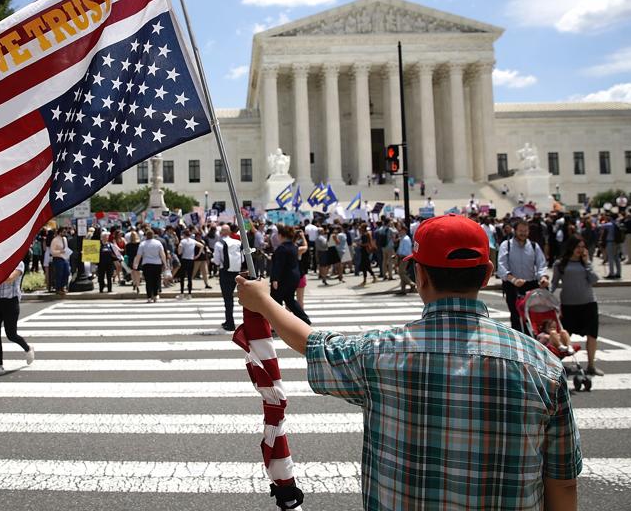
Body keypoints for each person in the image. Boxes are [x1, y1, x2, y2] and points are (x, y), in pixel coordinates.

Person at [235, 214, 581, 510]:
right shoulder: (544, 366)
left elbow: (314, 345)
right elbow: (563, 483)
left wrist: (265, 303)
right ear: (488, 272)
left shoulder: (379, 353)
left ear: (420, 277)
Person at [552, 236, 603, 375]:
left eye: (582, 247)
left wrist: (587, 263)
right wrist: (546, 294)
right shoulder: (560, 264)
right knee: (564, 335)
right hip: (568, 305)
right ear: (571, 247)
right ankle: (556, 365)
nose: (580, 250)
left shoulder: (585, 262)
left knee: (592, 335)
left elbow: (594, 280)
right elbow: (554, 283)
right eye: (577, 246)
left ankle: (591, 366)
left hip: (589, 303)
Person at [497, 219, 549, 332]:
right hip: (513, 285)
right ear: (515, 231)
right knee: (516, 316)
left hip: (530, 285)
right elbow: (501, 267)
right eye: (521, 231)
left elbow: (541, 264)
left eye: (525, 231)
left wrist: (543, 277)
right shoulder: (506, 245)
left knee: (533, 315)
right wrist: (513, 279)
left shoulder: (534, 246)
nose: (523, 233)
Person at [0, 261, 34, 378]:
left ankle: (28, 348)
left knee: (11, 335)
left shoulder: (18, 263)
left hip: (10, 303)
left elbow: (10, 278)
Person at [268, 226, 312, 325]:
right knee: (289, 299)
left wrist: (275, 279)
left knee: (276, 301)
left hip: (283, 278)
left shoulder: (282, 248)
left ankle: (278, 323)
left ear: (281, 235)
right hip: (294, 277)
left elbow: (279, 264)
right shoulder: (294, 246)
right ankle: (304, 319)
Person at [212, 224, 242, 330]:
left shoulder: (218, 244)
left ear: (221, 232)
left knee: (227, 298)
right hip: (236, 272)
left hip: (224, 272)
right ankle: (228, 321)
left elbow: (216, 261)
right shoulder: (237, 242)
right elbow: (242, 259)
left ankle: (230, 322)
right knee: (232, 296)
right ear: (229, 232)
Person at [133, 229, 167, 303]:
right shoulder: (158, 243)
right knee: (156, 279)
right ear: (153, 235)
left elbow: (138, 256)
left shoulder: (142, 244)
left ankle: (149, 297)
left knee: (148, 281)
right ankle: (155, 295)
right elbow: (162, 254)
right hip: (157, 263)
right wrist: (165, 263)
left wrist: (136, 265)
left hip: (147, 264)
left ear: (146, 236)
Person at [177, 229, 204, 298]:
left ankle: (182, 293)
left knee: (182, 277)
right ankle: (189, 294)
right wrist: (197, 255)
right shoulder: (193, 241)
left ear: (184, 235)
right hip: (191, 260)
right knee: (189, 277)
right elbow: (201, 246)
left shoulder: (182, 241)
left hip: (184, 259)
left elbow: (179, 252)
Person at [395, 223, 416, 294]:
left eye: (401, 230)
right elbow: (400, 248)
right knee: (402, 273)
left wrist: (400, 255)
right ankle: (403, 290)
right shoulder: (403, 238)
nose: (399, 231)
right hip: (402, 257)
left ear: (404, 230)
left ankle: (411, 284)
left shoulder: (406, 239)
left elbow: (407, 251)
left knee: (401, 273)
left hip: (404, 257)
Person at [50, 228, 72, 296]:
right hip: (58, 258)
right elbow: (52, 251)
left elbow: (66, 248)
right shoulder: (55, 240)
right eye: (64, 232)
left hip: (65, 258)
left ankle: (63, 286)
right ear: (60, 232)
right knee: (59, 274)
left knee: (67, 273)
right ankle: (58, 289)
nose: (65, 233)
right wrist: (60, 251)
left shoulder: (65, 239)